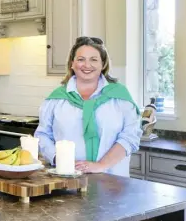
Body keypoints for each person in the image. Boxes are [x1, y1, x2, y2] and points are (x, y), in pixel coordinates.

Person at [34, 36, 141, 176]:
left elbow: (130, 136)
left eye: (94, 59)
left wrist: (101, 165)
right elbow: (42, 134)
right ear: (72, 64)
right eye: (81, 59)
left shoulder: (120, 98)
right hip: (67, 178)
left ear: (103, 64)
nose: (87, 65)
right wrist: (60, 160)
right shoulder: (55, 100)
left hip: (112, 181)